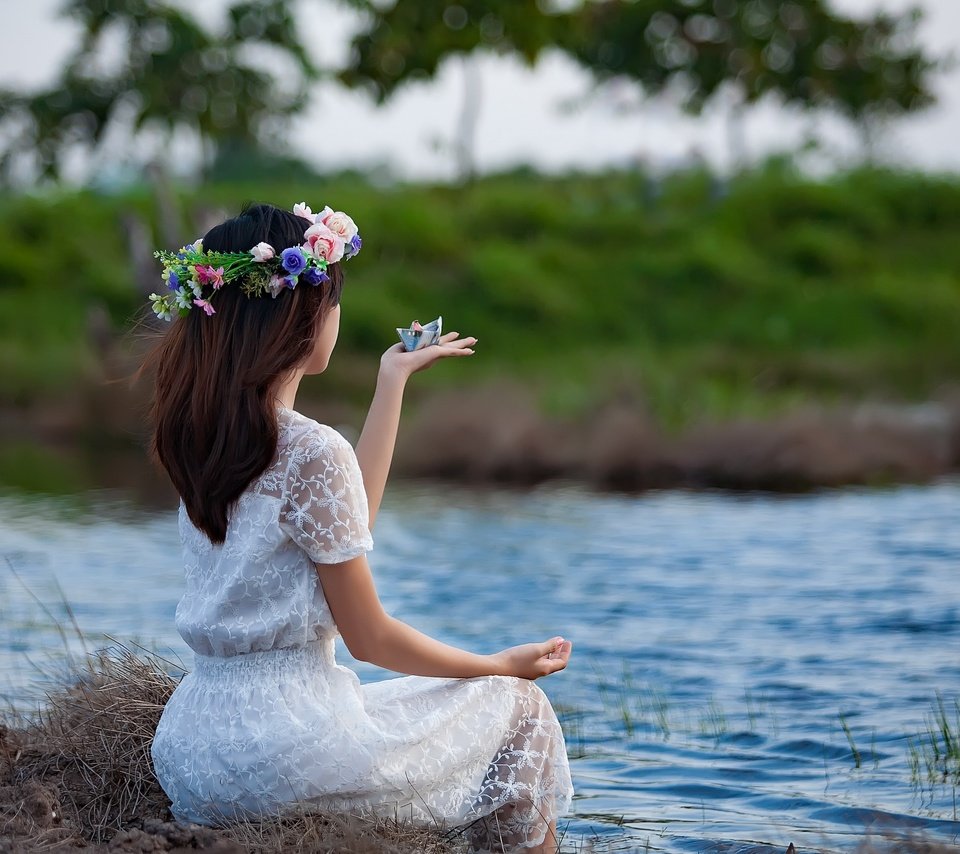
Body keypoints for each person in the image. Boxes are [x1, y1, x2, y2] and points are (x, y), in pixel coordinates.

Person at [145, 202, 574, 853]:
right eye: (332, 299)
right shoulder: (308, 448)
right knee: (519, 705)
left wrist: (391, 382)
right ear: (302, 316)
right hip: (282, 750)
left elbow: (347, 527)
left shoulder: (203, 438)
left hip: (196, 748)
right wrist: (496, 664)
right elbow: (370, 639)